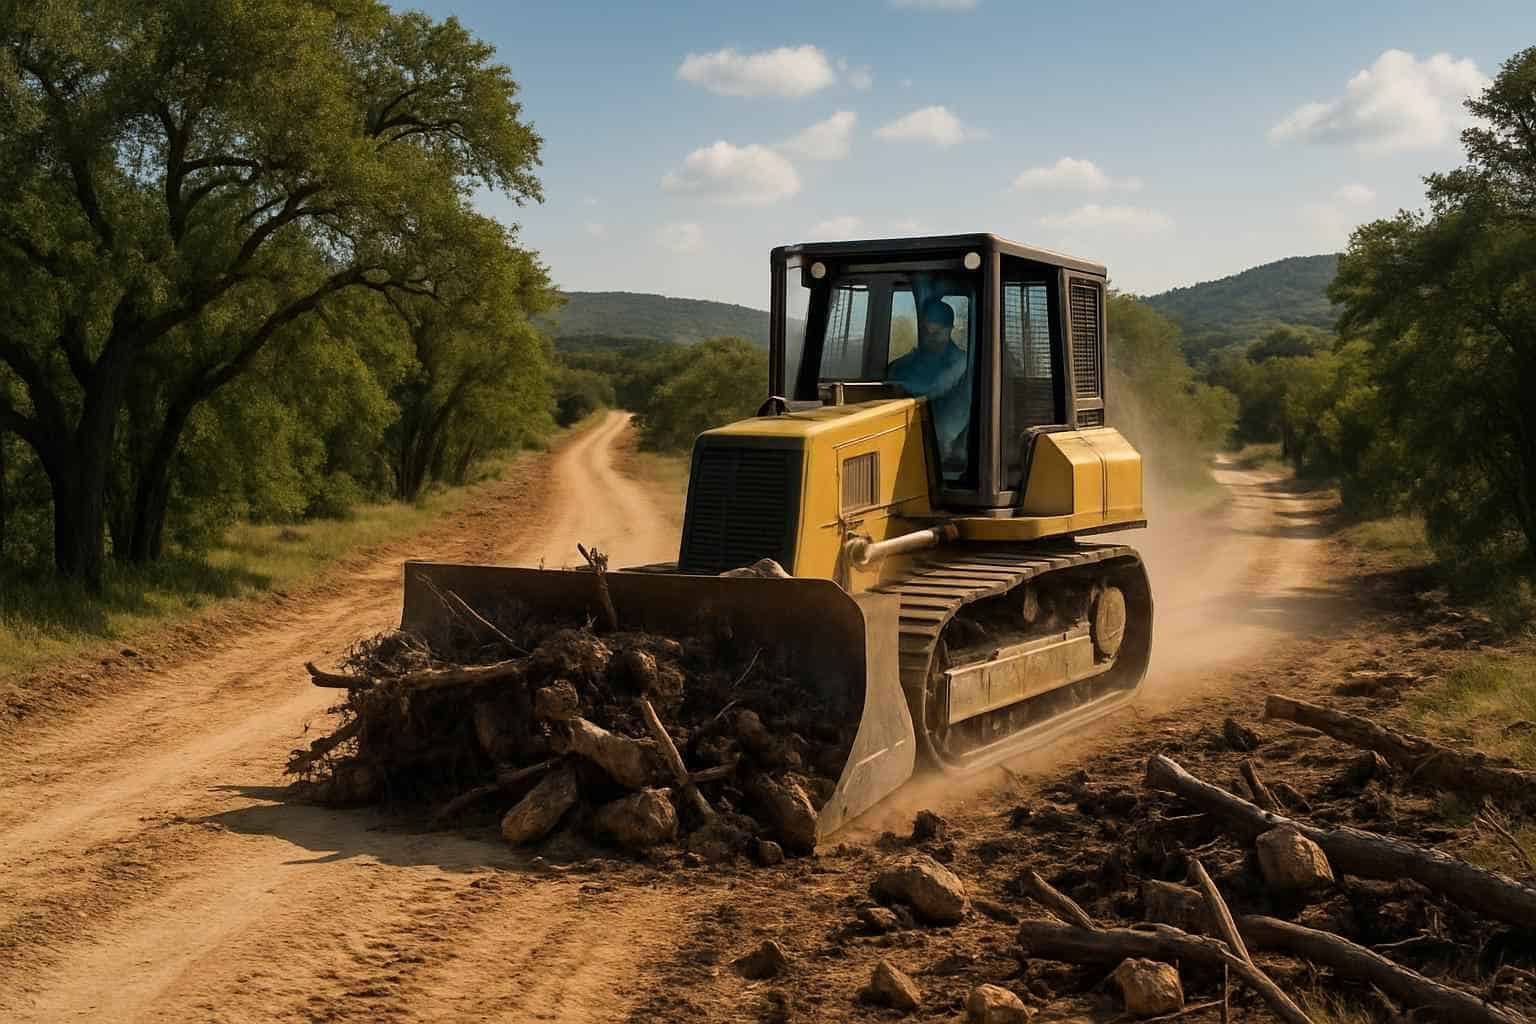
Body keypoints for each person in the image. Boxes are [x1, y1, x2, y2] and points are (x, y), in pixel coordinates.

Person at [886, 298, 970, 456]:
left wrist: (898, 386)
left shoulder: (960, 362)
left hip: (947, 445)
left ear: (950, 329)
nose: (930, 338)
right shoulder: (910, 362)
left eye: (936, 333)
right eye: (926, 332)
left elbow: (934, 389)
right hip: (910, 436)